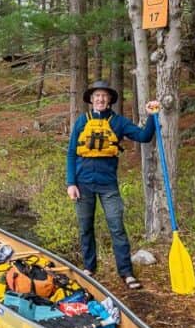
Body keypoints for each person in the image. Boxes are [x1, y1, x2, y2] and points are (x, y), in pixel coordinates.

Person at [66, 80, 160, 290]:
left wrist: (153, 116)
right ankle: (89, 268)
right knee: (85, 228)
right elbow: (72, 152)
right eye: (96, 96)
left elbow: (144, 136)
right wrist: (71, 182)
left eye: (104, 96)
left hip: (108, 185)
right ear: (91, 99)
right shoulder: (82, 122)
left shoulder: (118, 123)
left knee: (117, 226)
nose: (100, 99)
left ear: (109, 100)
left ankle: (126, 272)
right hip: (83, 184)